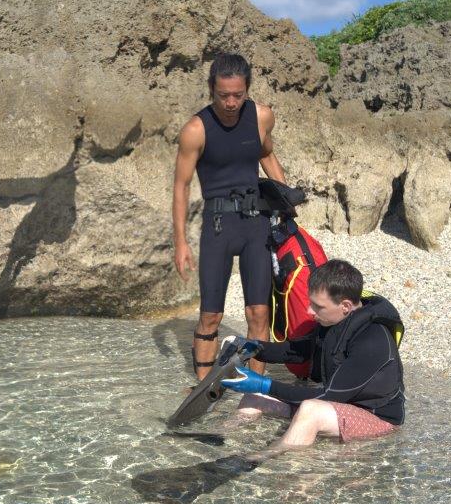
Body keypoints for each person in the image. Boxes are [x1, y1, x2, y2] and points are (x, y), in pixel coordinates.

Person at [173, 52, 285, 381]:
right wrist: (180, 242)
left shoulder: (261, 116)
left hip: (256, 224)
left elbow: (267, 154)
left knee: (258, 312)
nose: (232, 103)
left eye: (238, 94)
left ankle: (255, 389)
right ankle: (203, 388)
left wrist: (286, 204)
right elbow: (181, 186)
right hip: (218, 226)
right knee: (211, 315)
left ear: (247, 88)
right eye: (224, 95)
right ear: (212, 89)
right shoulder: (195, 129)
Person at [220, 259, 404, 448]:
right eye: (310, 303)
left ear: (345, 306)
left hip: (376, 417)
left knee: (311, 410)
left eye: (318, 306)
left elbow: (329, 395)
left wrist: (264, 384)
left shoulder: (373, 340)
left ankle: (260, 459)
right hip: (334, 407)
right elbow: (295, 351)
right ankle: (223, 442)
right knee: (253, 398)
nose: (309, 311)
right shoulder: (333, 321)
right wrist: (254, 348)